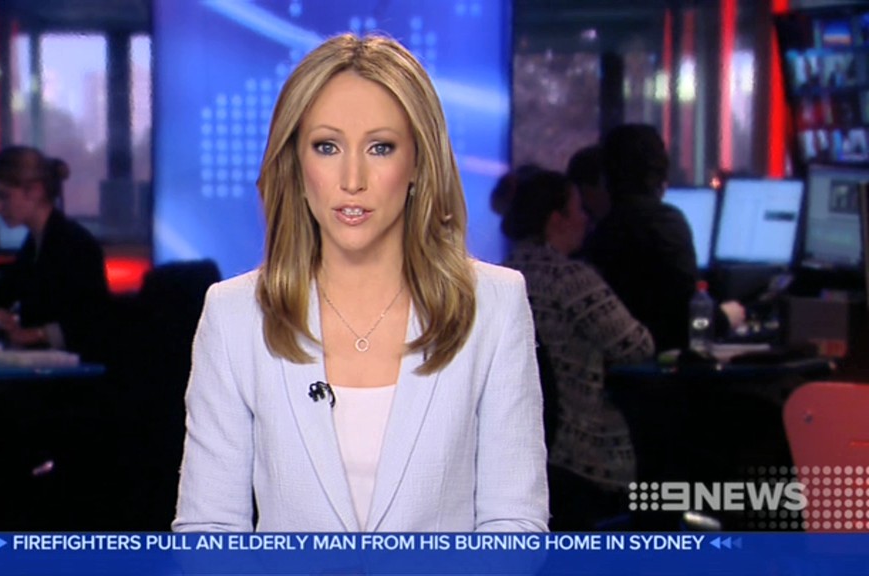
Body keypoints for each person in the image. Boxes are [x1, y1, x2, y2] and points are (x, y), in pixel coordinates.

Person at [173, 33, 549, 533]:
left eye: (380, 147)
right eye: (326, 147)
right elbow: (210, 531)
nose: (352, 179)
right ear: (296, 164)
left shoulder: (494, 306)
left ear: (418, 162)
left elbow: (514, 523)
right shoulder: (234, 315)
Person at [502, 170, 654, 530]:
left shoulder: (498, 277)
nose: (587, 219)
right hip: (581, 454)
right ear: (557, 219)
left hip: (512, 454)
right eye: (578, 210)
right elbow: (637, 345)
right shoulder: (570, 279)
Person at [586, 124, 742, 352]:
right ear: (659, 173)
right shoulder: (664, 223)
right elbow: (689, 315)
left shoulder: (598, 231)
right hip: (662, 362)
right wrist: (726, 318)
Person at [0, 146, 110, 361]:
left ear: (35, 191)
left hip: (69, 372)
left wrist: (37, 334)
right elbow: (0, 294)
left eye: (3, 196)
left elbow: (92, 322)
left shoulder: (75, 244)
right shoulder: (35, 244)